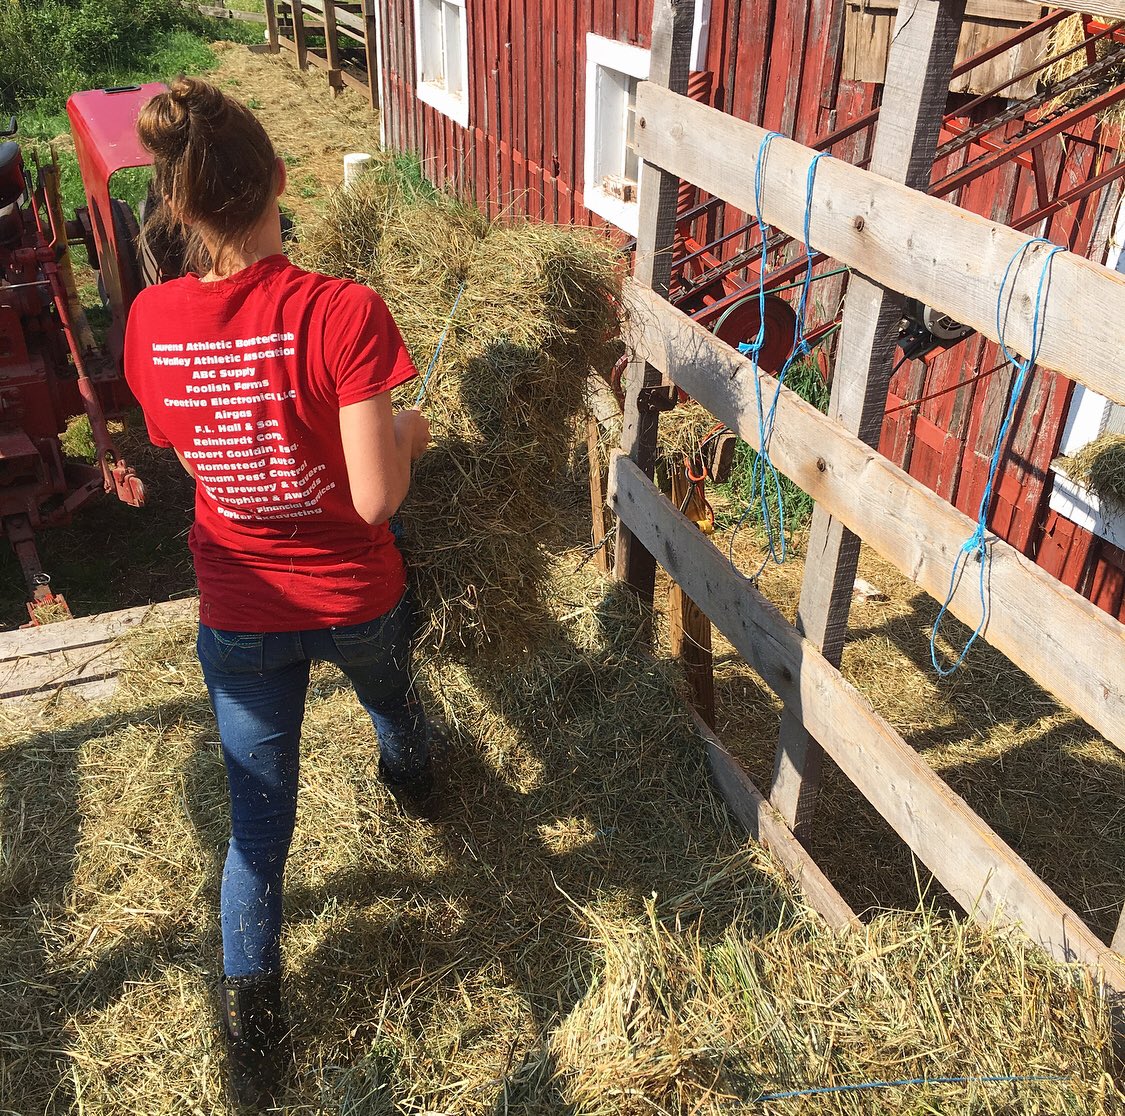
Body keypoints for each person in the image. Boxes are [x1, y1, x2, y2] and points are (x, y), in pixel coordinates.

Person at [124, 76, 436, 1110]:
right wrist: (412, 432)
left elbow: (181, 443)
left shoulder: (152, 322)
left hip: (241, 609)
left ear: (180, 205)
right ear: (282, 184)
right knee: (390, 693)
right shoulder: (342, 311)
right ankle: (413, 775)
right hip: (352, 591)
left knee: (257, 831)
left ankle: (255, 1033)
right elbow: (376, 495)